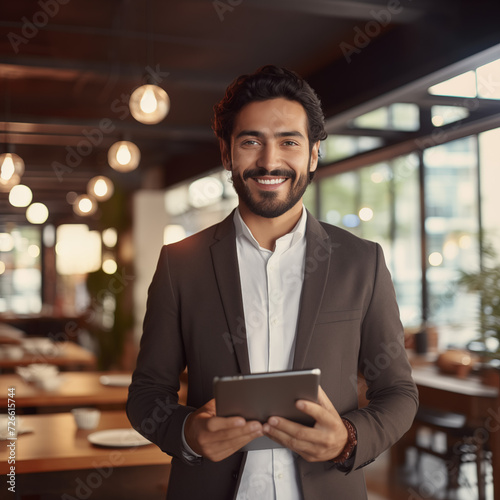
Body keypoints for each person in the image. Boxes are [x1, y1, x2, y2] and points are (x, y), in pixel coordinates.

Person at [127, 65, 418, 500]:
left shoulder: (363, 261)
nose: (269, 161)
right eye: (250, 142)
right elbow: (148, 394)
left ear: (314, 153)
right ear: (226, 153)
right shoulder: (179, 264)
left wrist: (348, 439)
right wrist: (187, 432)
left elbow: (398, 392)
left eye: (288, 142)